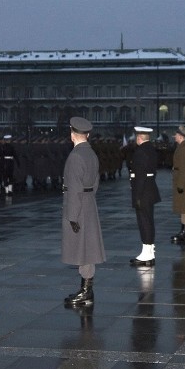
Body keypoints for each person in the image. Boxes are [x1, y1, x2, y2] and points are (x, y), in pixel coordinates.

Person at [62, 117, 106, 307]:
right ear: (87, 135)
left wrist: (72, 216)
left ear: (72, 135)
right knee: (87, 248)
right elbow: (95, 182)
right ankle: (86, 289)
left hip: (78, 206)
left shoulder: (75, 156)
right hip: (89, 204)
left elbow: (74, 188)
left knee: (81, 248)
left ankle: (86, 291)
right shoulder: (92, 154)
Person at [129, 126, 160, 266]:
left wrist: (137, 196)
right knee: (148, 221)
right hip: (150, 189)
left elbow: (140, 176)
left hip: (143, 191)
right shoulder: (151, 150)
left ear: (139, 138)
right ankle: (149, 251)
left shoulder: (140, 152)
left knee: (144, 222)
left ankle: (147, 254)